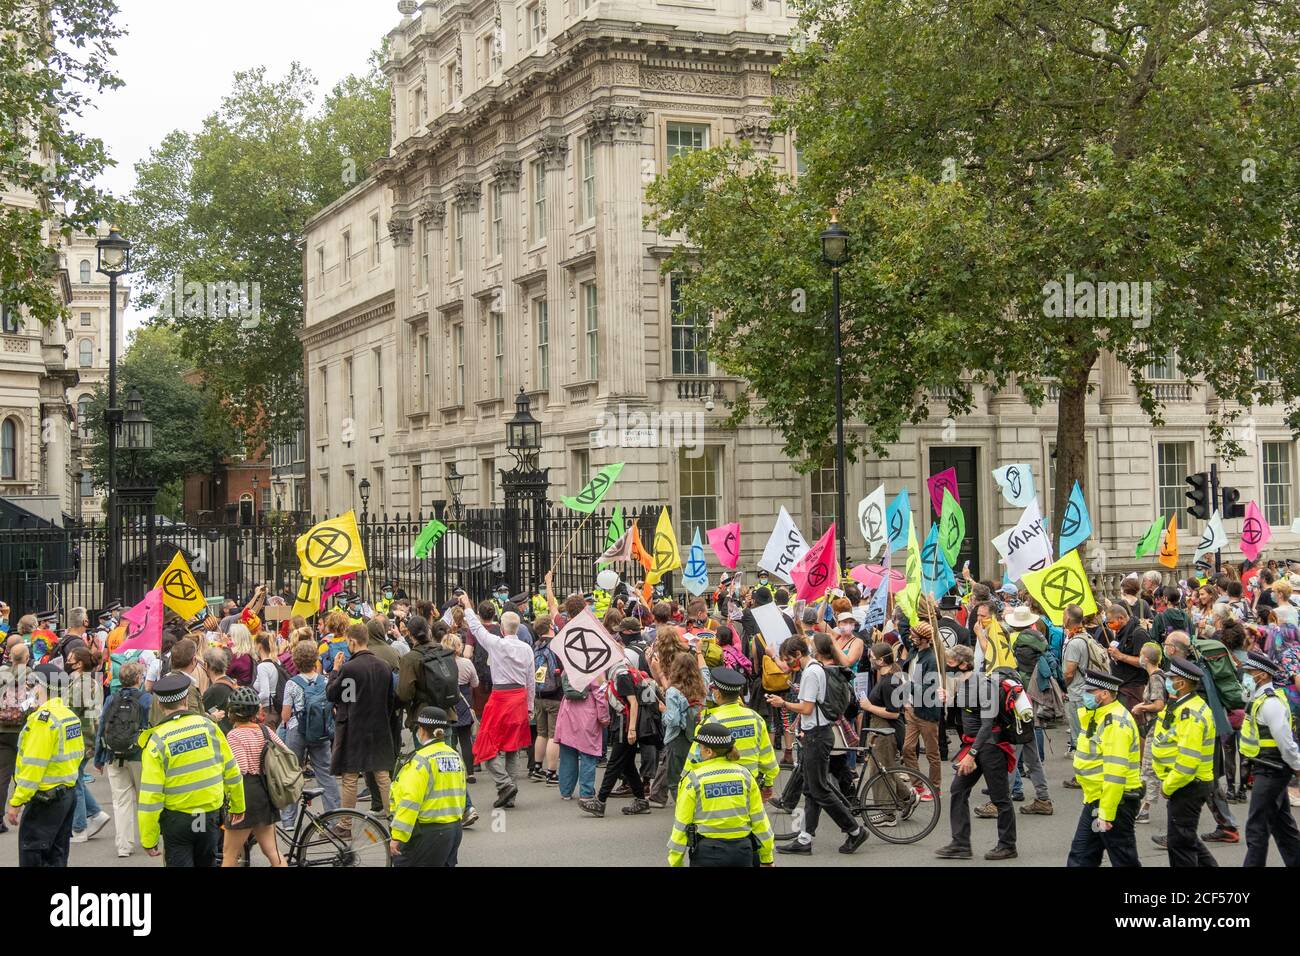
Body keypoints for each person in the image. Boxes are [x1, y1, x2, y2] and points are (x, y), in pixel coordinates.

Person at [767, 633, 868, 856]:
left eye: (788, 658)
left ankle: (854, 830)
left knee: (819, 789)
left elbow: (806, 708)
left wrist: (782, 703)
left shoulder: (811, 673)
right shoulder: (813, 669)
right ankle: (805, 838)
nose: (788, 663)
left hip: (818, 736)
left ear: (797, 654)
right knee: (811, 789)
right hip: (816, 734)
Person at [137, 673, 244, 867]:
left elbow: (150, 797)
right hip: (206, 815)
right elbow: (231, 770)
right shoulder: (209, 727)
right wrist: (238, 806)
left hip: (178, 821)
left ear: (161, 706)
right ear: (186, 700)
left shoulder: (157, 740)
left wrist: (148, 838)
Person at [936, 643, 1018, 861]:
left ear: (964, 664)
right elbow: (968, 710)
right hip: (973, 746)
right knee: (957, 790)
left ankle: (1008, 845)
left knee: (1000, 798)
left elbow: (987, 724)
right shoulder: (964, 684)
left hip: (990, 747)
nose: (948, 667)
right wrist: (949, 698)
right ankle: (961, 844)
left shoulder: (984, 685)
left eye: (951, 663)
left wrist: (972, 754)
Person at [459, 598, 534, 809]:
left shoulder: (496, 643)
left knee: (485, 743)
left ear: (501, 628)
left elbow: (475, 627)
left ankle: (504, 783)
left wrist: (467, 606)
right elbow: (531, 680)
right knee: (512, 748)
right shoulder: (527, 649)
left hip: (501, 697)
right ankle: (510, 793)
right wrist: (529, 706)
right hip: (519, 697)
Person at [666, 722, 774, 867]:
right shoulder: (745, 776)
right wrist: (767, 858)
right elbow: (759, 820)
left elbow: (681, 826)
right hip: (743, 852)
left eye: (700, 747)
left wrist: (675, 863)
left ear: (709, 751)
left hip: (708, 854)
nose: (698, 751)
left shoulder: (693, 780)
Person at [1065, 670, 1142, 867]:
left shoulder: (1115, 722)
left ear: (1105, 694)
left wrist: (1106, 813)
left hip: (1115, 801)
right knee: (1081, 857)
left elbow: (1115, 772)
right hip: (1097, 797)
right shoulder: (1099, 715)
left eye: (1091, 691)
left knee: (1123, 859)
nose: (1086, 695)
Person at [5, 686, 84, 866]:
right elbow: (79, 753)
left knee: (34, 855)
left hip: (45, 800)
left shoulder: (43, 721)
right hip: (67, 794)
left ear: (41, 687)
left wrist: (17, 801)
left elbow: (33, 766)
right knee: (58, 855)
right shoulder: (68, 715)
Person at [327, 622, 396, 828]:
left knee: (350, 777)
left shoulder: (350, 668)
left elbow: (336, 695)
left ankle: (346, 823)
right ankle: (395, 818)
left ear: (352, 641)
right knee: (383, 776)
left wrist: (335, 671)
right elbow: (390, 699)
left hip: (355, 727)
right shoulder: (384, 666)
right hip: (379, 725)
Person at [1151, 657, 1218, 867]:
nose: (1168, 681)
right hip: (1188, 783)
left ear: (1182, 683)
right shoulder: (1183, 705)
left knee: (1180, 846)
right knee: (1186, 838)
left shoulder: (1190, 714)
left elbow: (1188, 762)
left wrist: (1168, 786)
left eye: (1172, 678)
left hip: (1187, 784)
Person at [1237, 651, 1300, 866]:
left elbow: (1285, 740)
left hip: (1272, 769)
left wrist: (1297, 766)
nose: (1245, 677)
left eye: (1249, 673)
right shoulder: (1259, 699)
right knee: (1283, 828)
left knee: (1256, 829)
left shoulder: (1270, 703)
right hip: (1267, 768)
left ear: (1262, 676)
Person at [389, 706, 467, 867]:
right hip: (453, 830)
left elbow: (410, 801)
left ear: (422, 730)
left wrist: (398, 836)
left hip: (428, 832)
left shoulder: (421, 760)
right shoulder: (454, 756)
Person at [220, 686, 287, 867]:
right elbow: (285, 751)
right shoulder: (265, 731)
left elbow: (239, 769)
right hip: (265, 793)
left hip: (245, 793)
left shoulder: (234, 735)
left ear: (232, 712)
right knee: (272, 851)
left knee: (229, 854)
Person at [92, 660, 153, 858]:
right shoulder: (147, 700)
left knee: (121, 801)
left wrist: (99, 757)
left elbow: (102, 727)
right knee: (146, 799)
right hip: (140, 755)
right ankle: (148, 839)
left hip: (114, 754)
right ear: (139, 678)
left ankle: (124, 845)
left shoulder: (111, 699)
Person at [279, 640, 340, 821]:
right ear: (315, 660)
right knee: (325, 773)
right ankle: (334, 816)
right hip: (320, 730)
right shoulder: (325, 681)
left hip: (296, 731)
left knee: (292, 773)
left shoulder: (292, 684)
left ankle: (289, 819)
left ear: (296, 661)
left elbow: (285, 715)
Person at [554, 669, 609, 801]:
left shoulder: (568, 667)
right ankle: (586, 792)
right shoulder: (594, 670)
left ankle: (566, 791)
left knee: (568, 754)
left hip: (567, 712)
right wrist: (604, 717)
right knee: (588, 754)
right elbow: (600, 694)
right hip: (587, 715)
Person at [902, 620, 943, 799]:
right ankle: (917, 785)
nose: (912, 638)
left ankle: (935, 788)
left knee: (932, 752)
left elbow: (929, 689)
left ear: (925, 640)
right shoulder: (913, 651)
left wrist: (908, 686)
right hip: (911, 709)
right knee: (907, 749)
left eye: (916, 637)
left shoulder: (931, 660)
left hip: (927, 712)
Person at [1129, 643, 1167, 825]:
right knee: (1150, 767)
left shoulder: (1155, 678)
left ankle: (1145, 808)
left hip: (1155, 726)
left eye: (1141, 655)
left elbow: (1159, 705)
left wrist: (1140, 707)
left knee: (1149, 768)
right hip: (1153, 725)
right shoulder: (1154, 676)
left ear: (1146, 658)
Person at [529, 615, 563, 785]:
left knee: (541, 733)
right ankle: (552, 772)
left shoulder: (536, 646)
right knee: (553, 735)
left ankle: (537, 768)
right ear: (551, 625)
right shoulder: (556, 645)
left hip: (539, 695)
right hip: (555, 695)